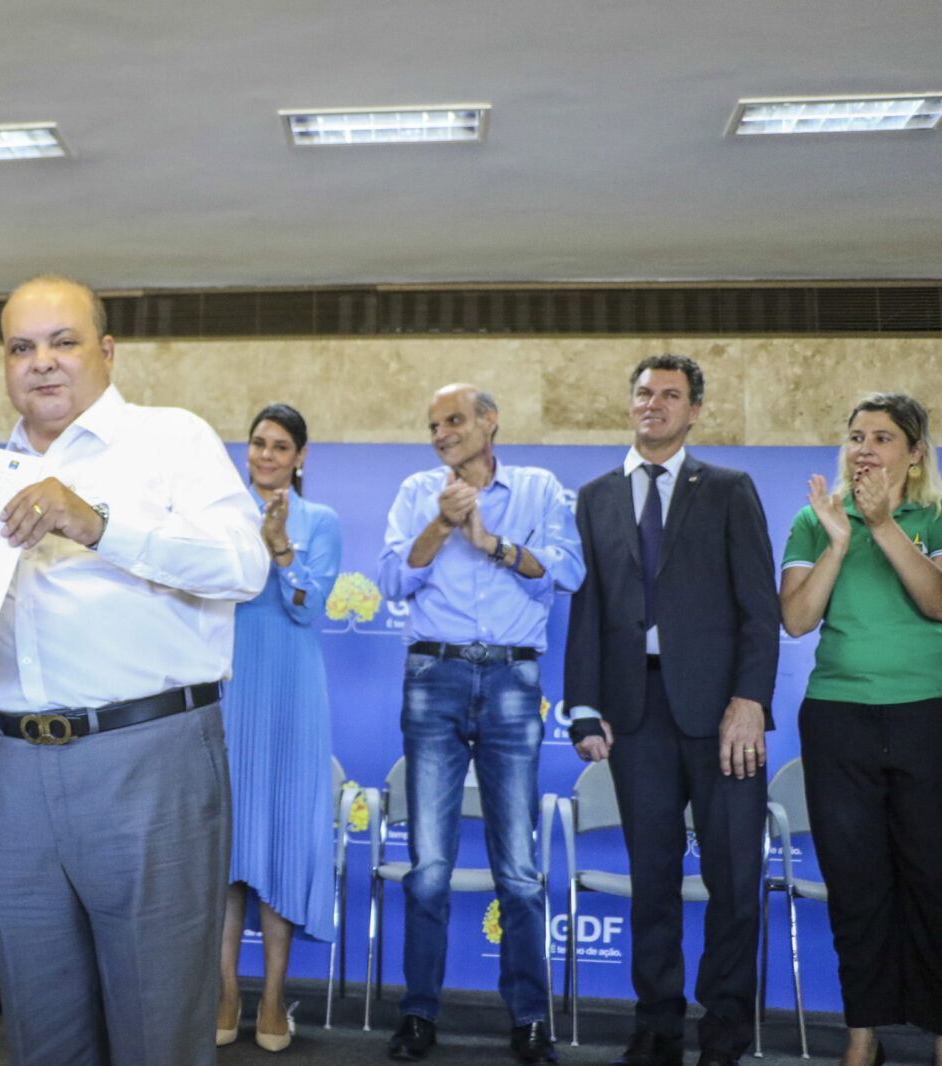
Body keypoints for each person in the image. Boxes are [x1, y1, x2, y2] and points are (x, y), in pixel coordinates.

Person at [0, 275, 267, 1066]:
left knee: (156, 1027)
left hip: (148, 761)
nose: (43, 363)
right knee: (41, 1029)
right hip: (13, 770)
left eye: (63, 342)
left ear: (106, 351)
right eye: (22, 347)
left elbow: (244, 565)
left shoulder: (172, 440)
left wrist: (96, 524)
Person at [565, 354, 779, 1066]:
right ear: (630, 405)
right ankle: (656, 1027)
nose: (653, 403)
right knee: (651, 882)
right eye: (643, 392)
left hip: (724, 714)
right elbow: (587, 609)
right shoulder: (594, 496)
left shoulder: (728, 488)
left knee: (735, 885)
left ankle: (724, 1035)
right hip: (635, 714)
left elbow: (759, 606)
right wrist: (584, 708)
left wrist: (750, 701)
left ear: (694, 411)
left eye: (670, 395)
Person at [376, 385, 583, 1064]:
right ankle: (418, 1016)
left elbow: (568, 574)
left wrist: (489, 542)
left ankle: (529, 1020)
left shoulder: (539, 487)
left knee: (519, 871)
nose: (441, 433)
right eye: (432, 424)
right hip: (434, 679)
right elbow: (390, 581)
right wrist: (440, 523)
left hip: (515, 682)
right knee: (429, 868)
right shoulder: (415, 491)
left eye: (455, 420)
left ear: (491, 422)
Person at [778, 393, 942, 1066]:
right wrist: (841, 539)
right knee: (856, 882)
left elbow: (936, 603)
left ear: (914, 453)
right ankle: (862, 1035)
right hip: (837, 718)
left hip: (925, 714)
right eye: (854, 436)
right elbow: (795, 620)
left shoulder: (933, 515)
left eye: (881, 436)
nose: (865, 448)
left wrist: (883, 528)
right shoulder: (813, 520)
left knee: (933, 880)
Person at [217, 403, 342, 1053]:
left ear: (301, 457)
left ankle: (270, 998)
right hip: (228, 684)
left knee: (283, 842)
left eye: (280, 445)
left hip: (292, 689)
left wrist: (283, 550)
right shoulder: (219, 514)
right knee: (228, 846)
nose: (266, 454)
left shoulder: (321, 520)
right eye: (258, 443)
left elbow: (307, 609)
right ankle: (224, 992)